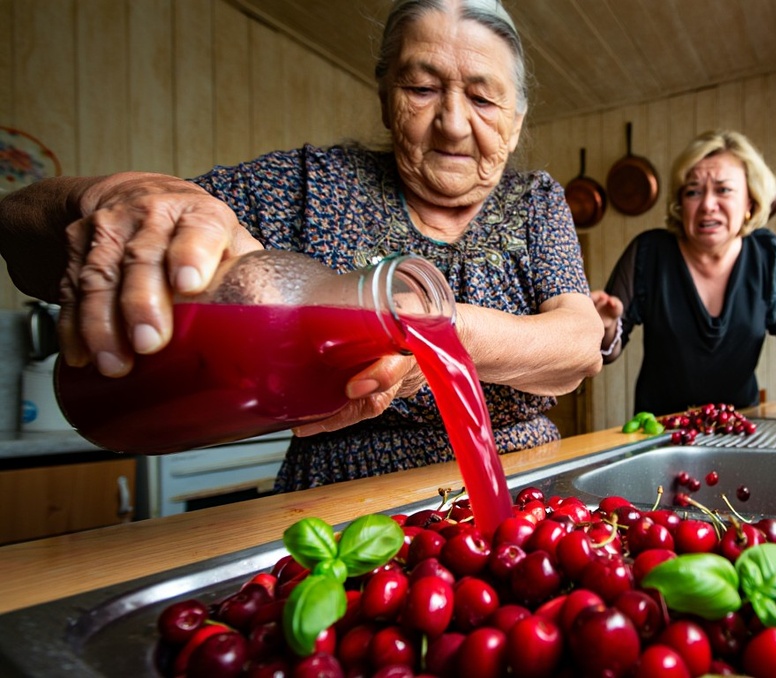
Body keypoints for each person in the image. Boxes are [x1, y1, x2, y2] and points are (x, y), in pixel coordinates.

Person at [0, 0, 602, 491]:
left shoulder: (532, 200)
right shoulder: (309, 185)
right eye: (421, 87)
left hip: (520, 478)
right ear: (386, 97)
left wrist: (429, 332)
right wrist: (120, 195)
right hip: (338, 500)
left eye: (482, 97)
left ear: (517, 119)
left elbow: (578, 346)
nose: (450, 122)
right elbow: (19, 231)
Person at [591, 129, 776, 415]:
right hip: (660, 431)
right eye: (693, 191)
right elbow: (608, 349)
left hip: (739, 426)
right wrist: (604, 330)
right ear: (681, 204)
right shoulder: (649, 252)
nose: (707, 204)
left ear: (750, 202)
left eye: (723, 190)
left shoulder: (768, 254)